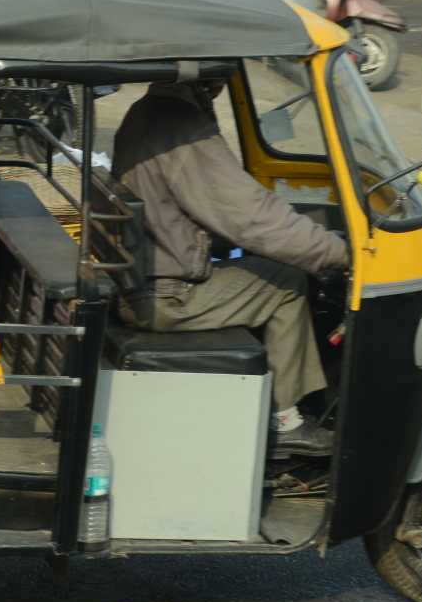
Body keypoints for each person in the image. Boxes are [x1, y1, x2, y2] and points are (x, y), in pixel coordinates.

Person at [112, 79, 351, 449]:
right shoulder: (184, 131)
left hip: (142, 277)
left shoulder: (147, 111)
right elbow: (253, 218)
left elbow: (196, 209)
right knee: (289, 282)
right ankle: (285, 422)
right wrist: (337, 253)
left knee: (271, 259)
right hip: (166, 295)